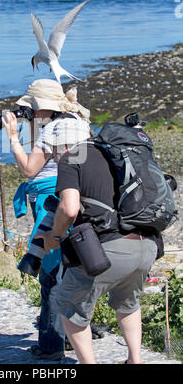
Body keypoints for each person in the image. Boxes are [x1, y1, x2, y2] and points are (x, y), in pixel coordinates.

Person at [37, 118, 158, 364]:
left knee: (68, 304)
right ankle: (135, 360)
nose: (53, 155)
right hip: (146, 244)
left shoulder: (72, 158)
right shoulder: (117, 155)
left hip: (108, 251)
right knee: (128, 303)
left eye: (54, 150)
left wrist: (55, 236)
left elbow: (69, 209)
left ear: (63, 145)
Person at [2, 78, 91, 361]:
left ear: (41, 106)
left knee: (50, 271)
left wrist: (14, 137)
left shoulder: (52, 129)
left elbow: (29, 169)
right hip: (77, 196)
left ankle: (52, 344)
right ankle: (70, 330)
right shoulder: (78, 122)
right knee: (73, 266)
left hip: (49, 200)